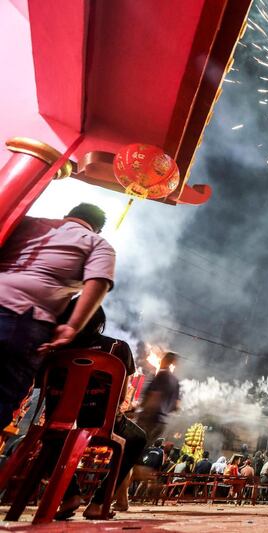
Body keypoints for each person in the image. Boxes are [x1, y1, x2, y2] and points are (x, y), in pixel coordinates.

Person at [0, 203, 115, 428]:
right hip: (24, 320)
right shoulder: (97, 243)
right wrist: (72, 326)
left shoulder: (29, 221)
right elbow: (99, 281)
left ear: (67, 215)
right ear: (97, 229)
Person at [49, 303, 147, 519]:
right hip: (99, 419)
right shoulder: (117, 347)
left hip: (57, 421)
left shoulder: (54, 349)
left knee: (51, 435)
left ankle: (69, 495)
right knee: (138, 438)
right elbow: (121, 398)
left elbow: (43, 386)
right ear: (100, 324)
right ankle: (98, 503)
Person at [137, 352, 180, 444]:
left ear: (165, 361)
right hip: (162, 424)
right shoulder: (176, 381)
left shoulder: (162, 375)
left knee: (133, 445)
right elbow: (176, 406)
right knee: (143, 449)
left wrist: (139, 410)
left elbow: (154, 398)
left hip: (150, 420)